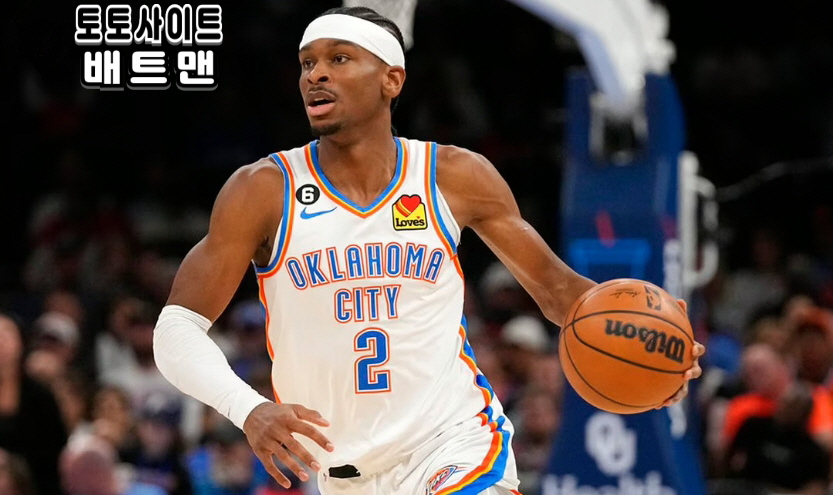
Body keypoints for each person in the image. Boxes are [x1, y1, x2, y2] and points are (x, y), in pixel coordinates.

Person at [152, 7, 705, 495]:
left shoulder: (453, 176)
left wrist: (651, 341)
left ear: (391, 79)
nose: (315, 74)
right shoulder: (262, 190)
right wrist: (248, 409)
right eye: (307, 63)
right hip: (344, 474)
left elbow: (561, 293)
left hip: (453, 442)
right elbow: (175, 331)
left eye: (339, 59)